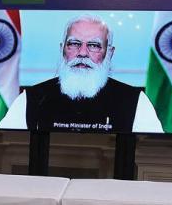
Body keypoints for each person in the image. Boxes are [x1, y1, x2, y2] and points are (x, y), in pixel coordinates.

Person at [26, 15, 163, 133]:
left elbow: (151, 152)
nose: (83, 53)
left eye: (94, 45)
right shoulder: (30, 98)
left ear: (109, 53)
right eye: (74, 43)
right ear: (62, 49)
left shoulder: (136, 101)